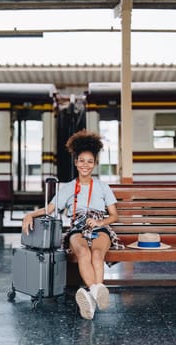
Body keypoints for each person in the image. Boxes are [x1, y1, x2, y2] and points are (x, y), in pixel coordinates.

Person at [22, 129, 124, 320]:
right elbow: (50, 208)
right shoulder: (68, 188)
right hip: (77, 228)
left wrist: (100, 221)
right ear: (76, 162)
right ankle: (96, 292)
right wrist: (30, 214)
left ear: (94, 164)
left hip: (100, 227)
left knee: (97, 253)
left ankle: (91, 302)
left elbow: (114, 216)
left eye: (90, 161)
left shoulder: (102, 186)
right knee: (84, 252)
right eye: (82, 160)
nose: (86, 164)